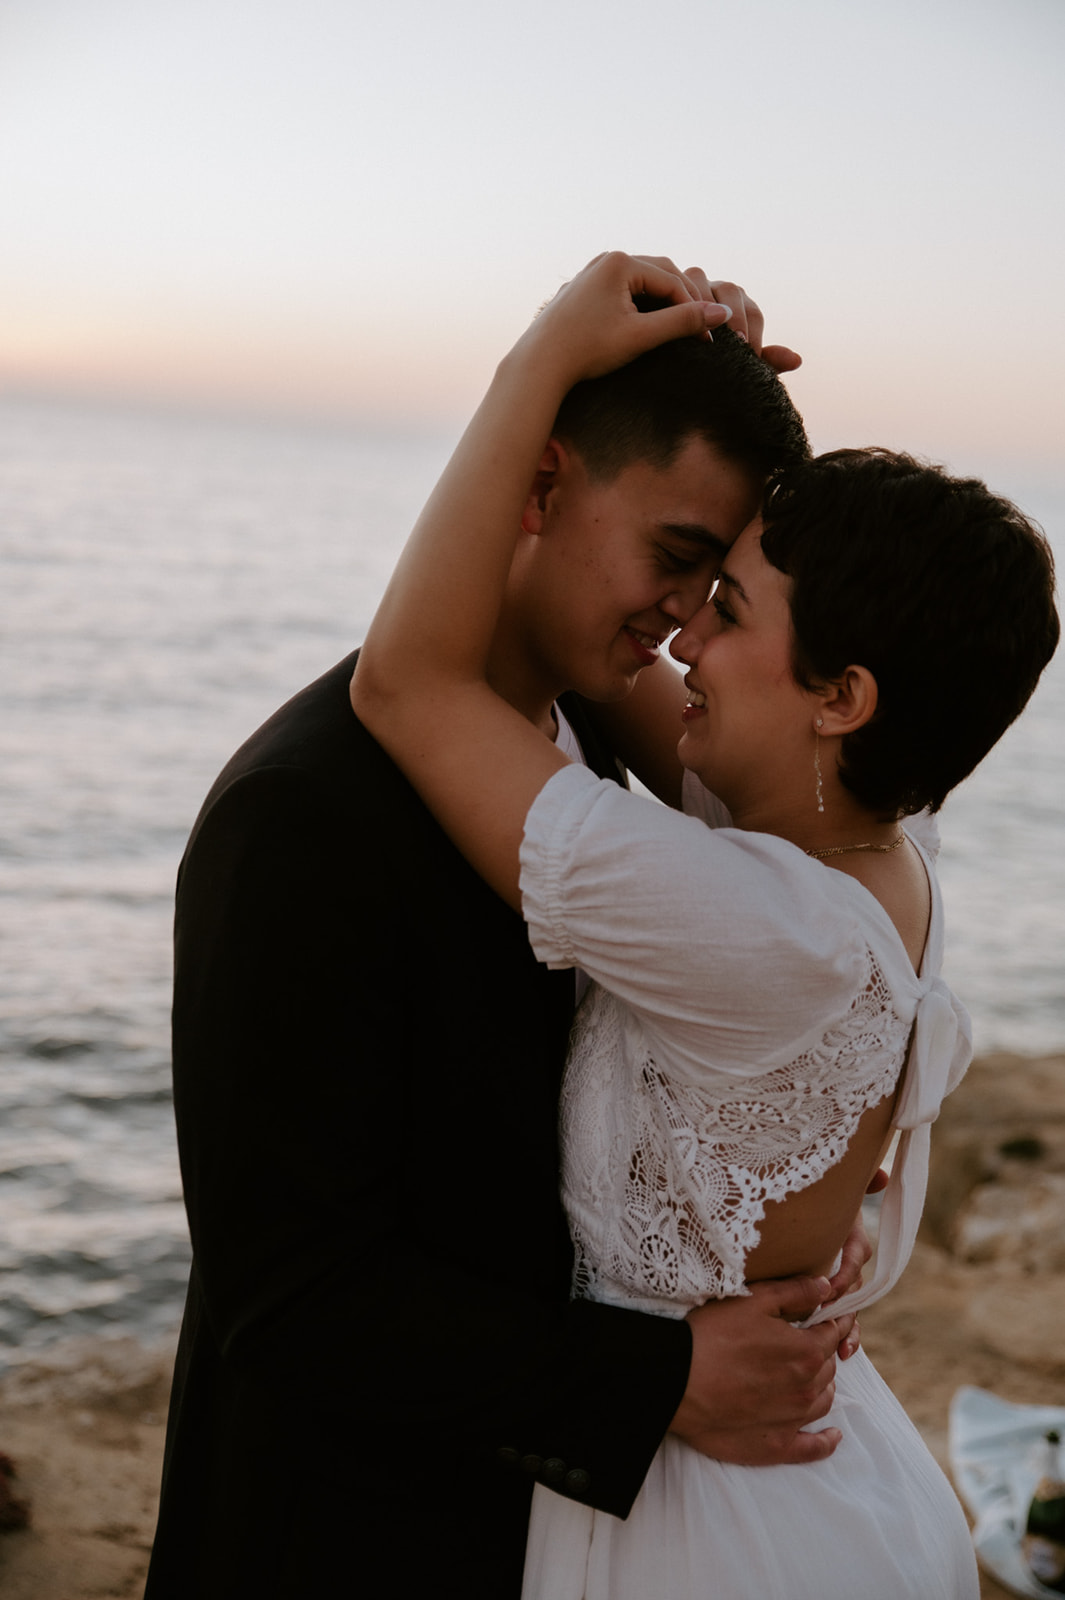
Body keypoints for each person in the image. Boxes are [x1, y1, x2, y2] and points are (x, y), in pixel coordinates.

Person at [144, 268, 870, 1599]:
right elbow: (289, 1298)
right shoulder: (298, 816)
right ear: (538, 486)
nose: (687, 620)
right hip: (348, 1541)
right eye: (673, 555)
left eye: (719, 584)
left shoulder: (594, 742)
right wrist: (661, 1380)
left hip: (539, 1535)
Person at [350, 252, 1059, 1598]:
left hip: (702, 1526)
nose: (679, 640)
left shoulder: (748, 923)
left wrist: (537, 368)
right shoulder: (863, 856)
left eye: (724, 608)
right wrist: (714, 392)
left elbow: (408, 682)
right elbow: (591, 650)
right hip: (803, 1486)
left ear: (842, 697)